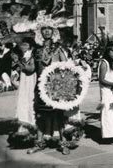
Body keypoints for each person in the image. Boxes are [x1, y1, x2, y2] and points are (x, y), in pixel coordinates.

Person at [28, 23, 70, 155]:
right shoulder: (36, 49)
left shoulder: (58, 48)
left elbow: (66, 65)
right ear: (40, 32)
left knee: (59, 115)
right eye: (44, 29)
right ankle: (39, 143)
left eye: (49, 29)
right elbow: (31, 69)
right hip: (41, 87)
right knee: (40, 115)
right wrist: (18, 60)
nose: (46, 32)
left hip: (56, 86)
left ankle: (63, 143)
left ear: (53, 31)